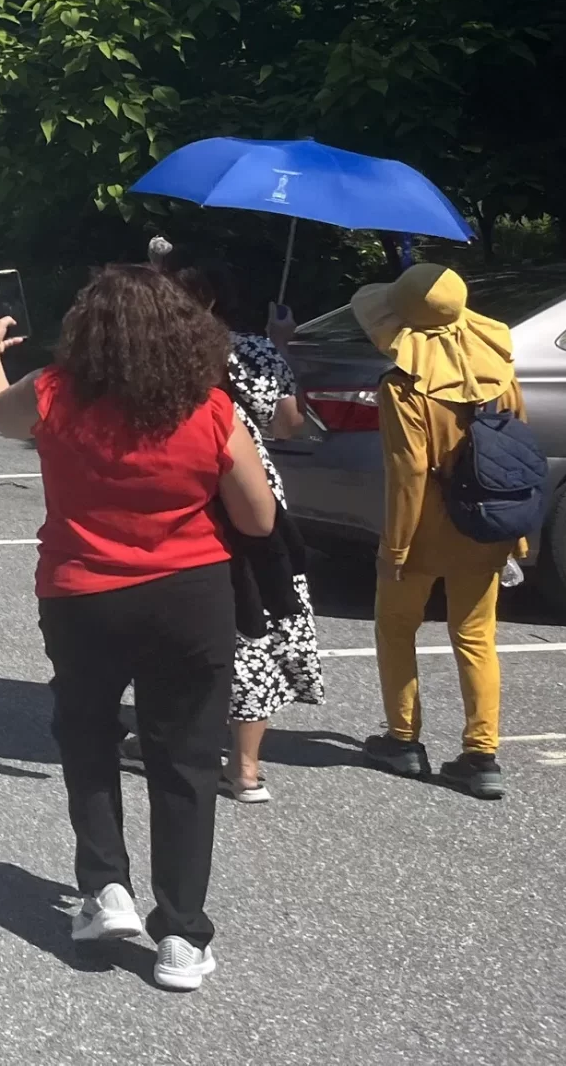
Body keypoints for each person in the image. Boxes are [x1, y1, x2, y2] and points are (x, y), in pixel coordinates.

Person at [0, 267, 275, 993]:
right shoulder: (207, 408)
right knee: (184, 761)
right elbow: (259, 518)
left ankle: (105, 888)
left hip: (84, 595)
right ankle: (180, 933)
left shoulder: (53, 394)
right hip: (189, 595)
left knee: (87, 733)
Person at [356, 264, 525, 800]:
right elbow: (516, 456)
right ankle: (482, 755)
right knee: (476, 637)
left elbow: (407, 474)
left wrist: (395, 547)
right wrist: (517, 536)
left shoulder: (403, 385)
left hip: (424, 531)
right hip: (487, 528)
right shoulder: (500, 373)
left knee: (396, 626)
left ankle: (403, 740)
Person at [177, 263, 321, 803]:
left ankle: (160, 734)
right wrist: (278, 346)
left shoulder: (155, 350)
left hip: (183, 488)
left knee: (176, 609)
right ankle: (246, 768)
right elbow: (289, 424)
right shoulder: (254, 349)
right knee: (254, 613)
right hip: (250, 483)